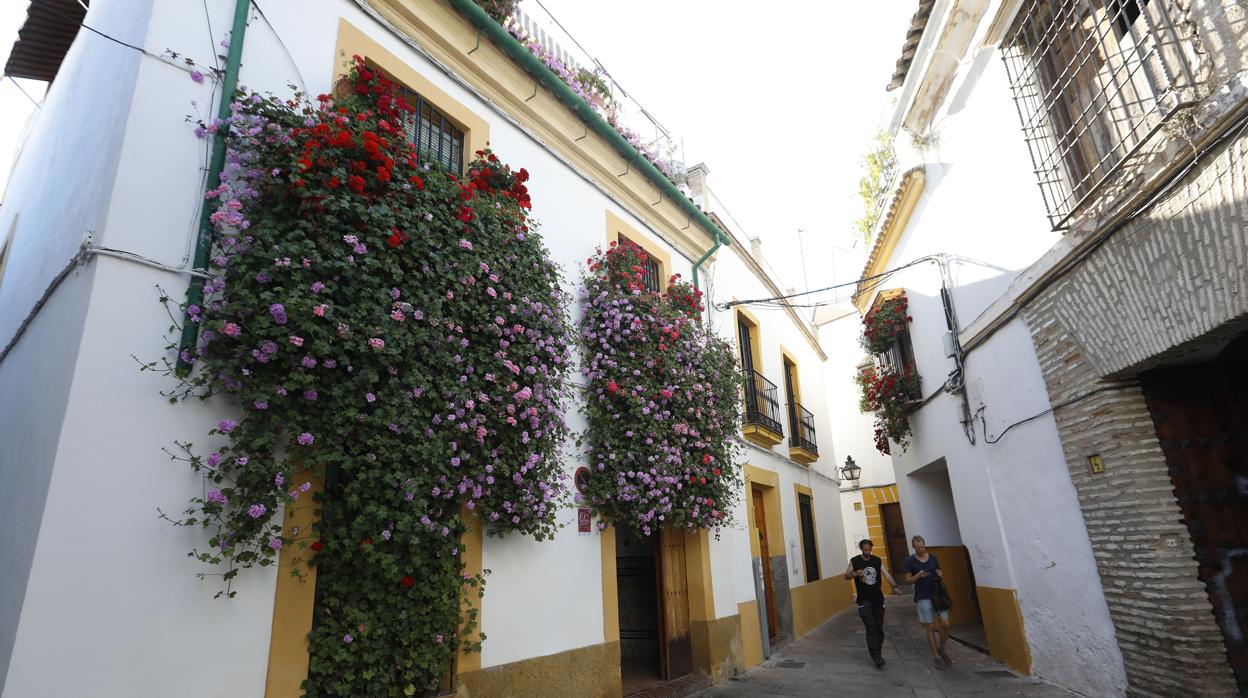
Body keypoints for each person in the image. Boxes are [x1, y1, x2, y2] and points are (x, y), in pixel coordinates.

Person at [843, 538, 902, 668]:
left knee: (879, 629)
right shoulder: (855, 561)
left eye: (869, 550)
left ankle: (878, 652)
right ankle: (876, 657)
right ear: (861, 549)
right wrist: (854, 573)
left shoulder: (877, 560)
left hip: (878, 599)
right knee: (870, 627)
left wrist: (895, 586)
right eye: (865, 550)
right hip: (864, 600)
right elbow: (846, 576)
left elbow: (886, 575)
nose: (868, 552)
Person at [905, 535, 952, 669]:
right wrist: (918, 575)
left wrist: (939, 573)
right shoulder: (909, 561)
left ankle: (942, 648)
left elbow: (938, 569)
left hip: (938, 595)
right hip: (922, 596)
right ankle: (936, 656)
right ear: (913, 547)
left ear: (925, 545)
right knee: (929, 627)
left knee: (946, 623)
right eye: (917, 547)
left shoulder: (933, 558)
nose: (920, 549)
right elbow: (908, 580)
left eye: (922, 547)